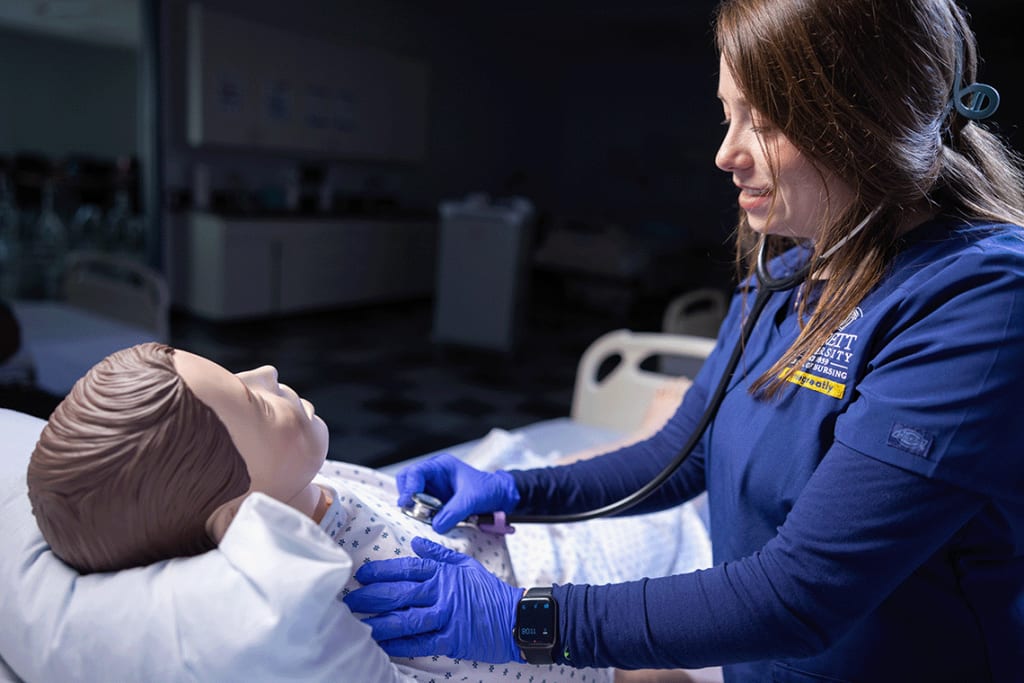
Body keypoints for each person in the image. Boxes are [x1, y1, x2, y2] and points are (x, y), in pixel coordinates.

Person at [342, 1, 1024, 681]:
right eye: (728, 114)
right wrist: (513, 488)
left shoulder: (978, 299)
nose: (726, 153)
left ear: (870, 119)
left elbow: (803, 592)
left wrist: (522, 621)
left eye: (765, 120)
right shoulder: (788, 274)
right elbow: (683, 452)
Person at [26, 341, 711, 683]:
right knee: (681, 482)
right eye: (253, 401)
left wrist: (490, 496)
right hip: (575, 582)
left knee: (573, 466)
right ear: (239, 515)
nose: (266, 375)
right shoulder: (374, 598)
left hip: (509, 533)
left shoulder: (302, 484)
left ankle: (656, 432)